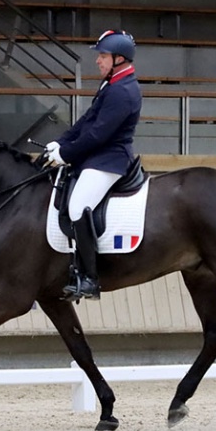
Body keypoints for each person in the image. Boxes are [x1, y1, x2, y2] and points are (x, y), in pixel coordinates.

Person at [45, 29, 142, 301]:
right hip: (96, 155)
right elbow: (87, 121)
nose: (98, 61)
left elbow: (99, 134)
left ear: (119, 58)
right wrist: (60, 142)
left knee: (78, 207)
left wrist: (67, 153)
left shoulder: (123, 90)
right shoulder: (112, 83)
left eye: (102, 56)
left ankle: (89, 278)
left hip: (109, 159)